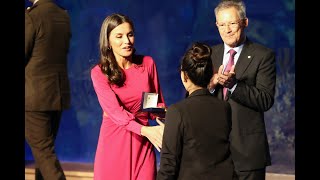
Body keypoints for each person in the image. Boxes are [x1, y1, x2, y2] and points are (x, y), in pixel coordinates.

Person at [91, 13, 166, 180]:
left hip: (144, 144)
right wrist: (145, 130)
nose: (127, 41)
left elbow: (153, 106)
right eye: (119, 36)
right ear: (108, 41)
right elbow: (116, 113)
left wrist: (172, 118)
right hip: (115, 143)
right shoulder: (99, 73)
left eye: (130, 34)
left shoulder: (147, 63)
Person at [208, 1, 276, 179]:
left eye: (232, 23)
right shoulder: (209, 54)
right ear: (216, 26)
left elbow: (265, 100)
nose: (227, 29)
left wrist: (234, 85)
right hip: (212, 154)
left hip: (248, 156)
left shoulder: (263, 55)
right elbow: (193, 96)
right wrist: (211, 84)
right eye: (222, 24)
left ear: (245, 23)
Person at [157, 42, 235, 180]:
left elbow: (168, 165)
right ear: (211, 74)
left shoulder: (177, 112)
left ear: (184, 76)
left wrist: (172, 128)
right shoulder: (224, 107)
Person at [25, 0, 72, 180]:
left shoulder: (32, 16)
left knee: (44, 153)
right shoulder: (63, 15)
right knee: (44, 152)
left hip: (34, 96)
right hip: (57, 95)